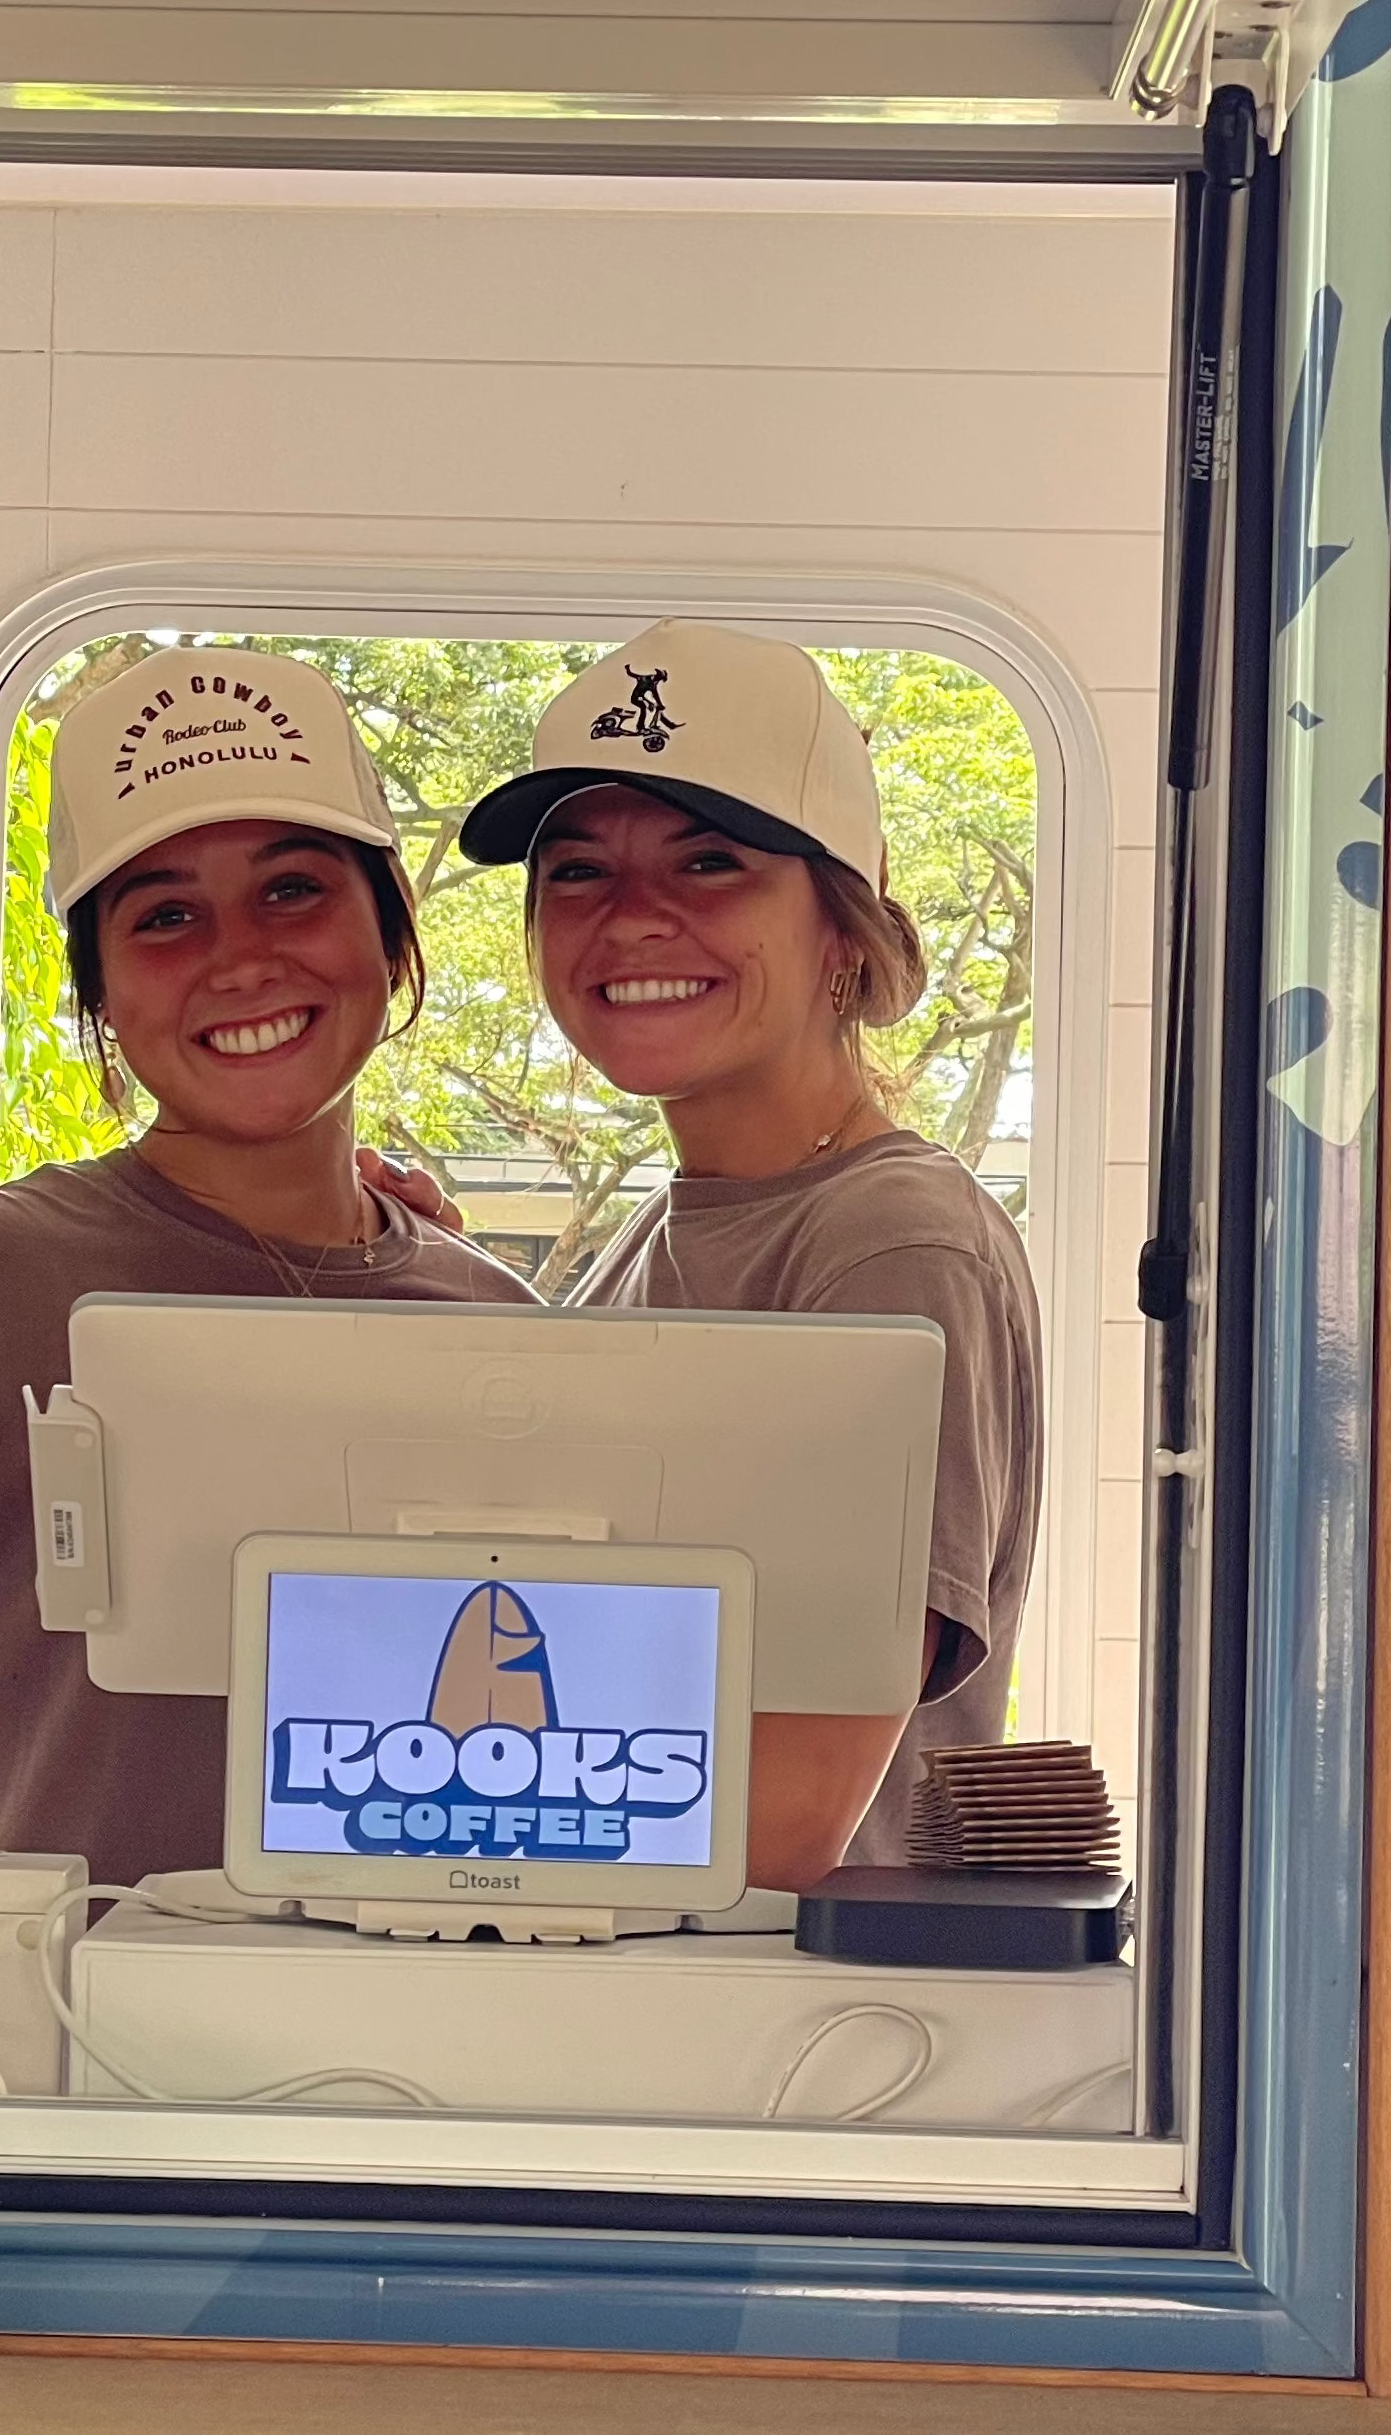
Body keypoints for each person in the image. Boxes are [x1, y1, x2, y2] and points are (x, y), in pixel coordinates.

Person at [0, 649, 535, 1884]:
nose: (240, 958)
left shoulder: (497, 1322)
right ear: (104, 999)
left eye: (293, 890)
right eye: (166, 916)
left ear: (390, 938)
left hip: (435, 2065)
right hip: (51, 2071)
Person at [457, 620, 1043, 1874]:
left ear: (843, 925)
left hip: (782, 2035)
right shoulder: (654, 1237)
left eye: (710, 862)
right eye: (575, 873)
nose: (630, 919)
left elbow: (783, 1824)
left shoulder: (890, 1251)